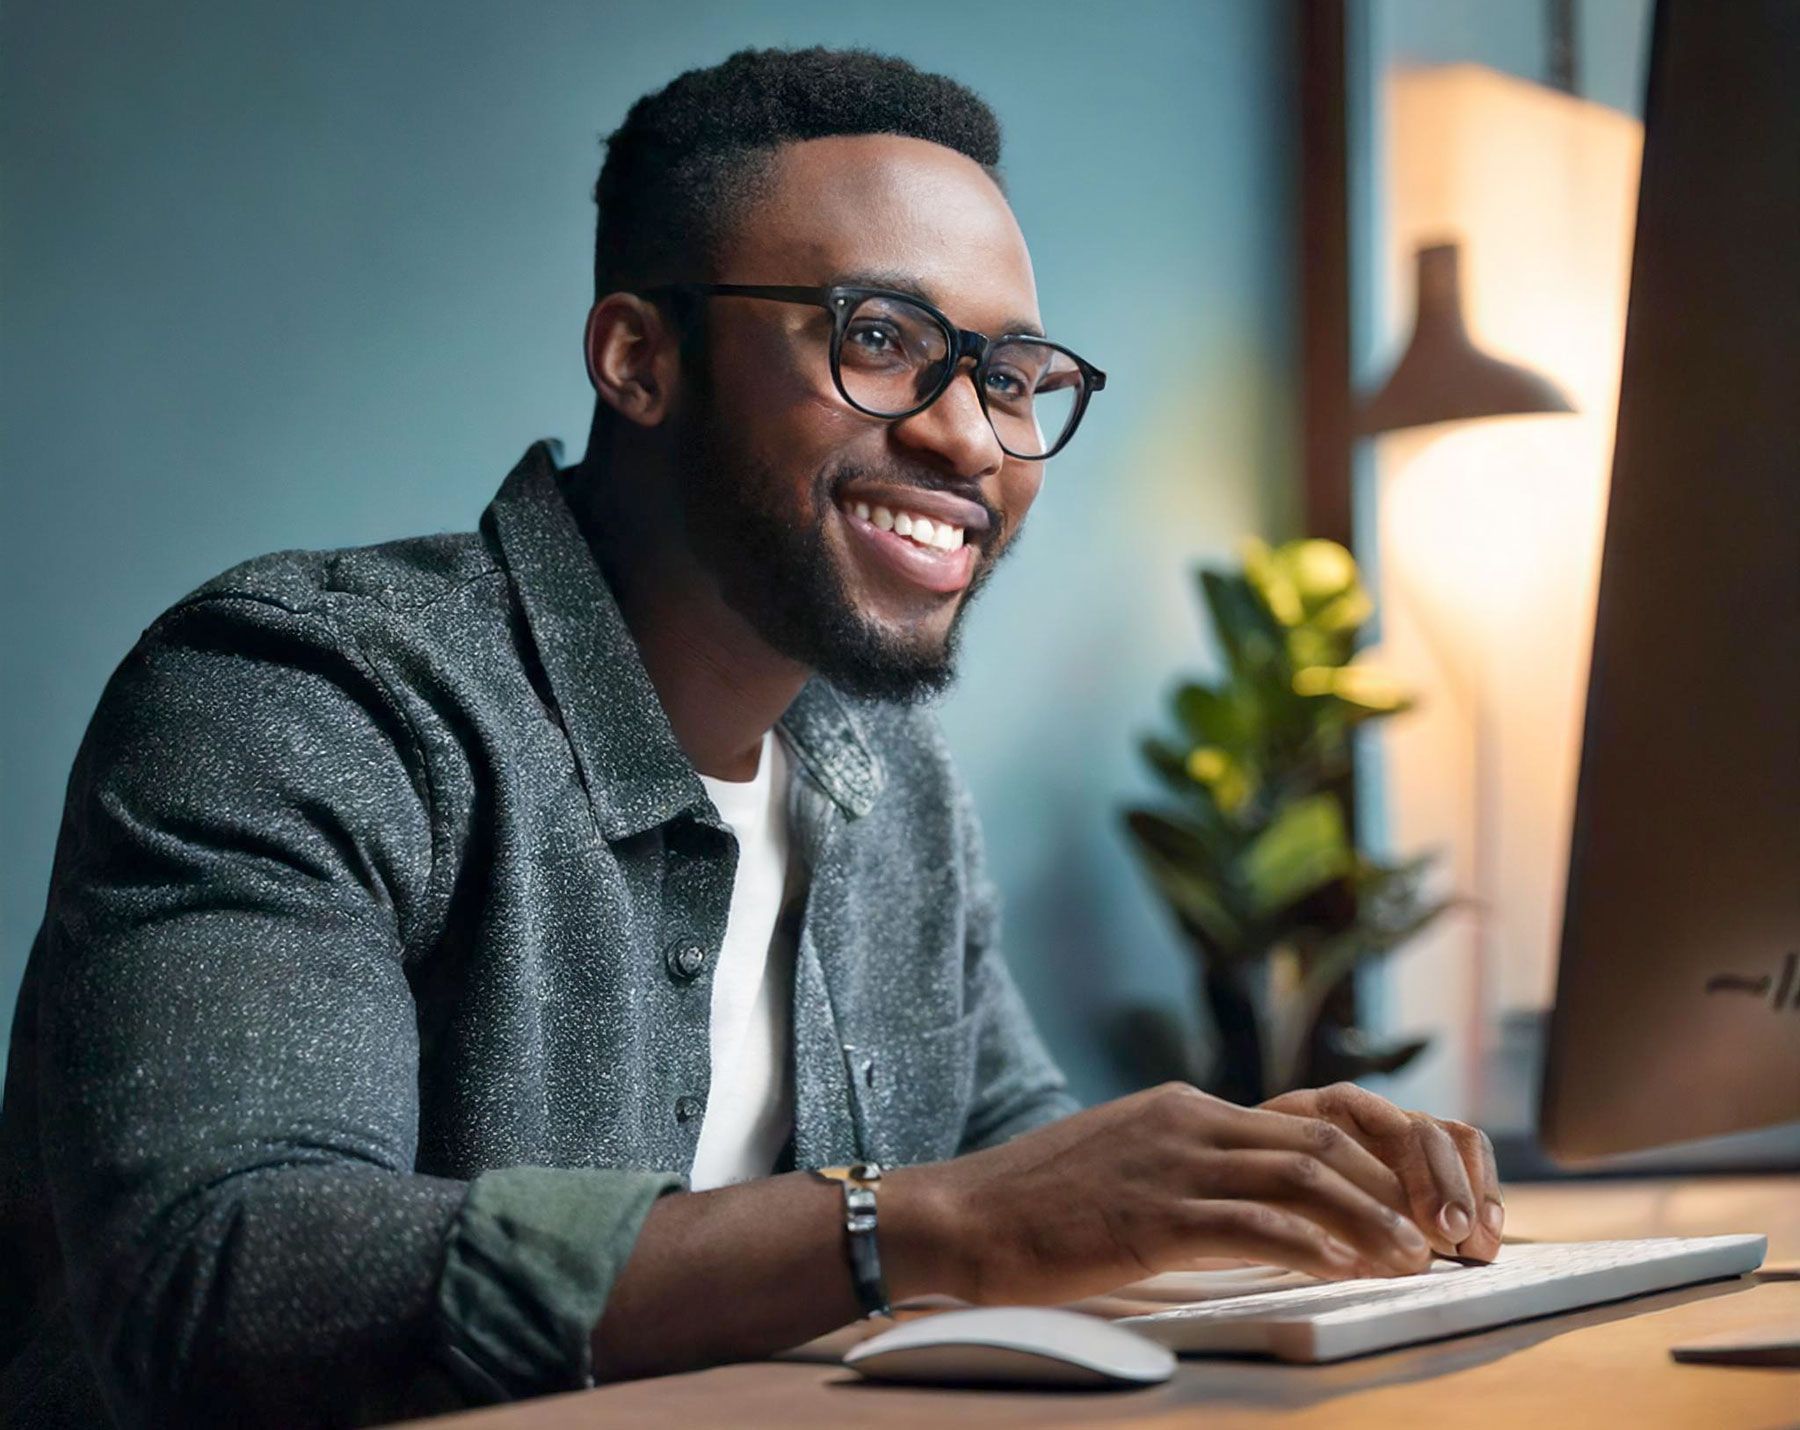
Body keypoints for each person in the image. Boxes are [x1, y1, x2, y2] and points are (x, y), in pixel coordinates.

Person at [0, 45, 1503, 1427]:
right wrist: (923, 1227)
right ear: (638, 360)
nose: (972, 437)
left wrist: (1263, 1185)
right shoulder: (299, 698)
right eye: (883, 337)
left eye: (1010, 376)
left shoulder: (889, 783)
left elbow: (1014, 1148)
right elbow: (226, 1275)